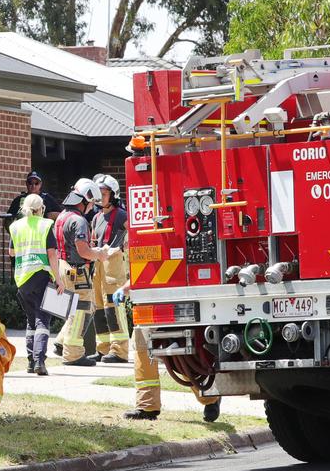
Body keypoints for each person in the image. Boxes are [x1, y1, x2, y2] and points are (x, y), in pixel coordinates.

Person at [120, 284, 222, 422]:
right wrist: (127, 287)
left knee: (184, 358)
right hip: (153, 295)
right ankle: (147, 406)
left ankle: (210, 398)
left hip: (184, 291)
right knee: (141, 342)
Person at [53, 178, 110, 366]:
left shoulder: (61, 217)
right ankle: (73, 353)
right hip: (76, 270)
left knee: (72, 309)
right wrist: (99, 254)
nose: (91, 207)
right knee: (82, 308)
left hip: (63, 266)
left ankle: (62, 342)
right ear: (85, 199)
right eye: (91, 202)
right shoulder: (79, 220)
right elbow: (83, 250)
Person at [8, 193, 60, 375]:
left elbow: (12, 252)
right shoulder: (45, 225)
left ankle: (30, 362)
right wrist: (59, 279)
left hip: (22, 278)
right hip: (41, 275)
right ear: (41, 209)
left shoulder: (15, 226)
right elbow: (52, 254)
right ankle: (39, 361)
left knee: (31, 321)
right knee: (42, 320)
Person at [90, 175, 130, 363]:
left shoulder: (121, 215)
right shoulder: (96, 217)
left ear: (113, 195)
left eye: (103, 194)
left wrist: (122, 248)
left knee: (113, 307)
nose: (99, 198)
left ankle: (119, 351)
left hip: (113, 265)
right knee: (99, 308)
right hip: (98, 265)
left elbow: (133, 233)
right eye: (98, 194)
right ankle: (103, 348)